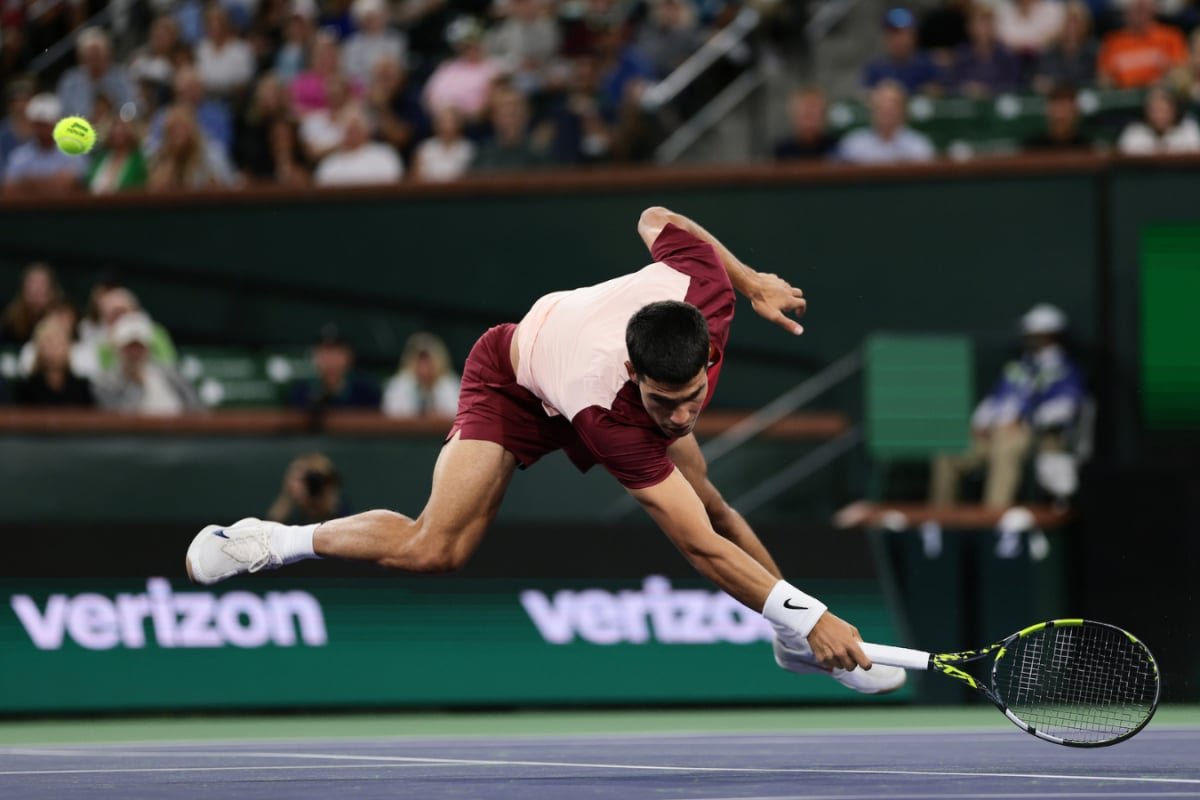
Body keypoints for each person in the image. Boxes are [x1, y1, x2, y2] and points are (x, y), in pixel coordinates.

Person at [186, 207, 907, 695]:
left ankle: (791, 642)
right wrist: (818, 612)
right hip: (516, 376)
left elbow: (658, 219)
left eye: (693, 396)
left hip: (580, 354)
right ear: (634, 377)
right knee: (437, 547)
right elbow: (698, 552)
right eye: (666, 404)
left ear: (706, 348)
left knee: (712, 501)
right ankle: (269, 541)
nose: (683, 414)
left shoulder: (704, 290)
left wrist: (750, 282)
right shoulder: (611, 412)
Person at [930, 303, 1085, 509]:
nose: (1029, 337)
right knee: (949, 449)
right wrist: (980, 422)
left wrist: (1023, 421)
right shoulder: (1017, 367)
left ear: (1050, 334)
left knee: (1006, 447)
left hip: (1039, 438)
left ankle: (994, 520)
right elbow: (994, 399)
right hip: (996, 433)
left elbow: (1065, 408)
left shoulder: (1066, 370)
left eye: (1035, 333)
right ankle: (940, 522)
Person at [93, 311, 204, 415]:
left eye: (140, 347)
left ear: (148, 349)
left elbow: (196, 407)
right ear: (117, 349)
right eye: (129, 347)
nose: (134, 353)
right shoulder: (105, 383)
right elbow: (118, 420)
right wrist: (137, 385)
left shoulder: (169, 373)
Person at [3, 93, 86, 197]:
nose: (42, 130)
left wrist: (27, 183)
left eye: (46, 124)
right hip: (28, 212)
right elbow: (9, 189)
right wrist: (53, 182)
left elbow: (71, 186)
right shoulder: (19, 155)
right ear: (32, 124)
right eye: (38, 124)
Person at [837, 81, 936, 164]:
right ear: (872, 111)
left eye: (893, 106)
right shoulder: (853, 144)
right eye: (881, 105)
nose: (887, 110)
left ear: (904, 111)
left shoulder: (919, 146)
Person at [287, 324, 382, 410]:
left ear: (349, 355)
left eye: (336, 352)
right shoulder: (302, 391)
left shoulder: (366, 391)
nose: (330, 360)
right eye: (325, 352)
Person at [1098, 0, 1188, 89]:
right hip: (1124, 97)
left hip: (1160, 95)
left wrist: (1167, 80)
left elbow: (1181, 72)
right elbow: (1104, 79)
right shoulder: (1113, 42)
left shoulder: (1170, 36)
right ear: (1126, 11)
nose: (1140, 15)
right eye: (1137, 9)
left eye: (1144, 9)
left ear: (1153, 10)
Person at [12, 315, 95, 407]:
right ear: (39, 348)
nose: (53, 350)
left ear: (68, 347)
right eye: (48, 343)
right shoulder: (26, 388)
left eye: (58, 344)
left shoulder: (82, 387)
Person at [56, 28, 137, 118]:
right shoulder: (70, 82)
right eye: (90, 56)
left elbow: (134, 109)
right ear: (81, 57)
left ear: (108, 55)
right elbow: (63, 113)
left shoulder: (122, 77)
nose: (94, 61)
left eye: (97, 55)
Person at [862, 7, 942, 95]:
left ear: (913, 35)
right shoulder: (876, 68)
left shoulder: (928, 65)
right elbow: (864, 95)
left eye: (901, 33)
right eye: (891, 33)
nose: (896, 39)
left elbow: (943, 96)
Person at [313, 108, 404, 185]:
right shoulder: (329, 164)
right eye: (347, 127)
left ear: (367, 129)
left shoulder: (385, 155)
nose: (352, 131)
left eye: (356, 126)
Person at [382, 331, 461, 417]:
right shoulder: (398, 385)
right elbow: (391, 414)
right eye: (420, 362)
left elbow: (458, 417)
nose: (424, 368)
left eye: (428, 362)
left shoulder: (451, 385)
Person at [267, 453, 349, 524]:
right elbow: (269, 533)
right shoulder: (291, 512)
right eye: (295, 479)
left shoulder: (338, 510)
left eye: (306, 480)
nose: (298, 486)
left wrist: (326, 498)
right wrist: (287, 499)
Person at [1117, 84, 1200, 154]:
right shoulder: (1133, 134)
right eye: (1155, 110)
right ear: (1147, 111)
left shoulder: (1188, 131)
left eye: (1164, 110)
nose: (1159, 115)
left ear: (1174, 110)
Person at [1, 262, 62, 345]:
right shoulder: (9, 321)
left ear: (52, 292)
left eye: (40, 289)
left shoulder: (62, 322)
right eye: (31, 289)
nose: (35, 295)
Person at [773, 87, 839, 161]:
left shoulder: (836, 147)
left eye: (815, 115)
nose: (811, 122)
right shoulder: (782, 150)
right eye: (806, 115)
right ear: (794, 115)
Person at [1024, 83, 1091, 150]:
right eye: (1055, 111)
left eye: (1066, 111)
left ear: (1076, 114)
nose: (1060, 116)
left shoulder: (1088, 147)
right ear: (1048, 113)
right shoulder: (1032, 147)